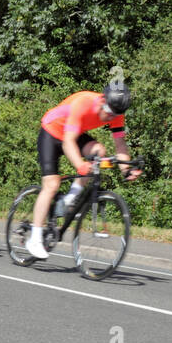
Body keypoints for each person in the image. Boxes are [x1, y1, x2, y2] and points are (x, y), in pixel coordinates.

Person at [25, 80, 139, 260]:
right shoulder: (84, 102)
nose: (110, 118)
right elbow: (68, 142)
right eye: (109, 112)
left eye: (115, 115)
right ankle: (35, 238)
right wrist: (80, 165)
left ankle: (70, 198)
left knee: (99, 152)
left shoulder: (115, 111)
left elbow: (120, 144)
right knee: (51, 185)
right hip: (52, 131)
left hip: (73, 133)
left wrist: (126, 169)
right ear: (102, 100)